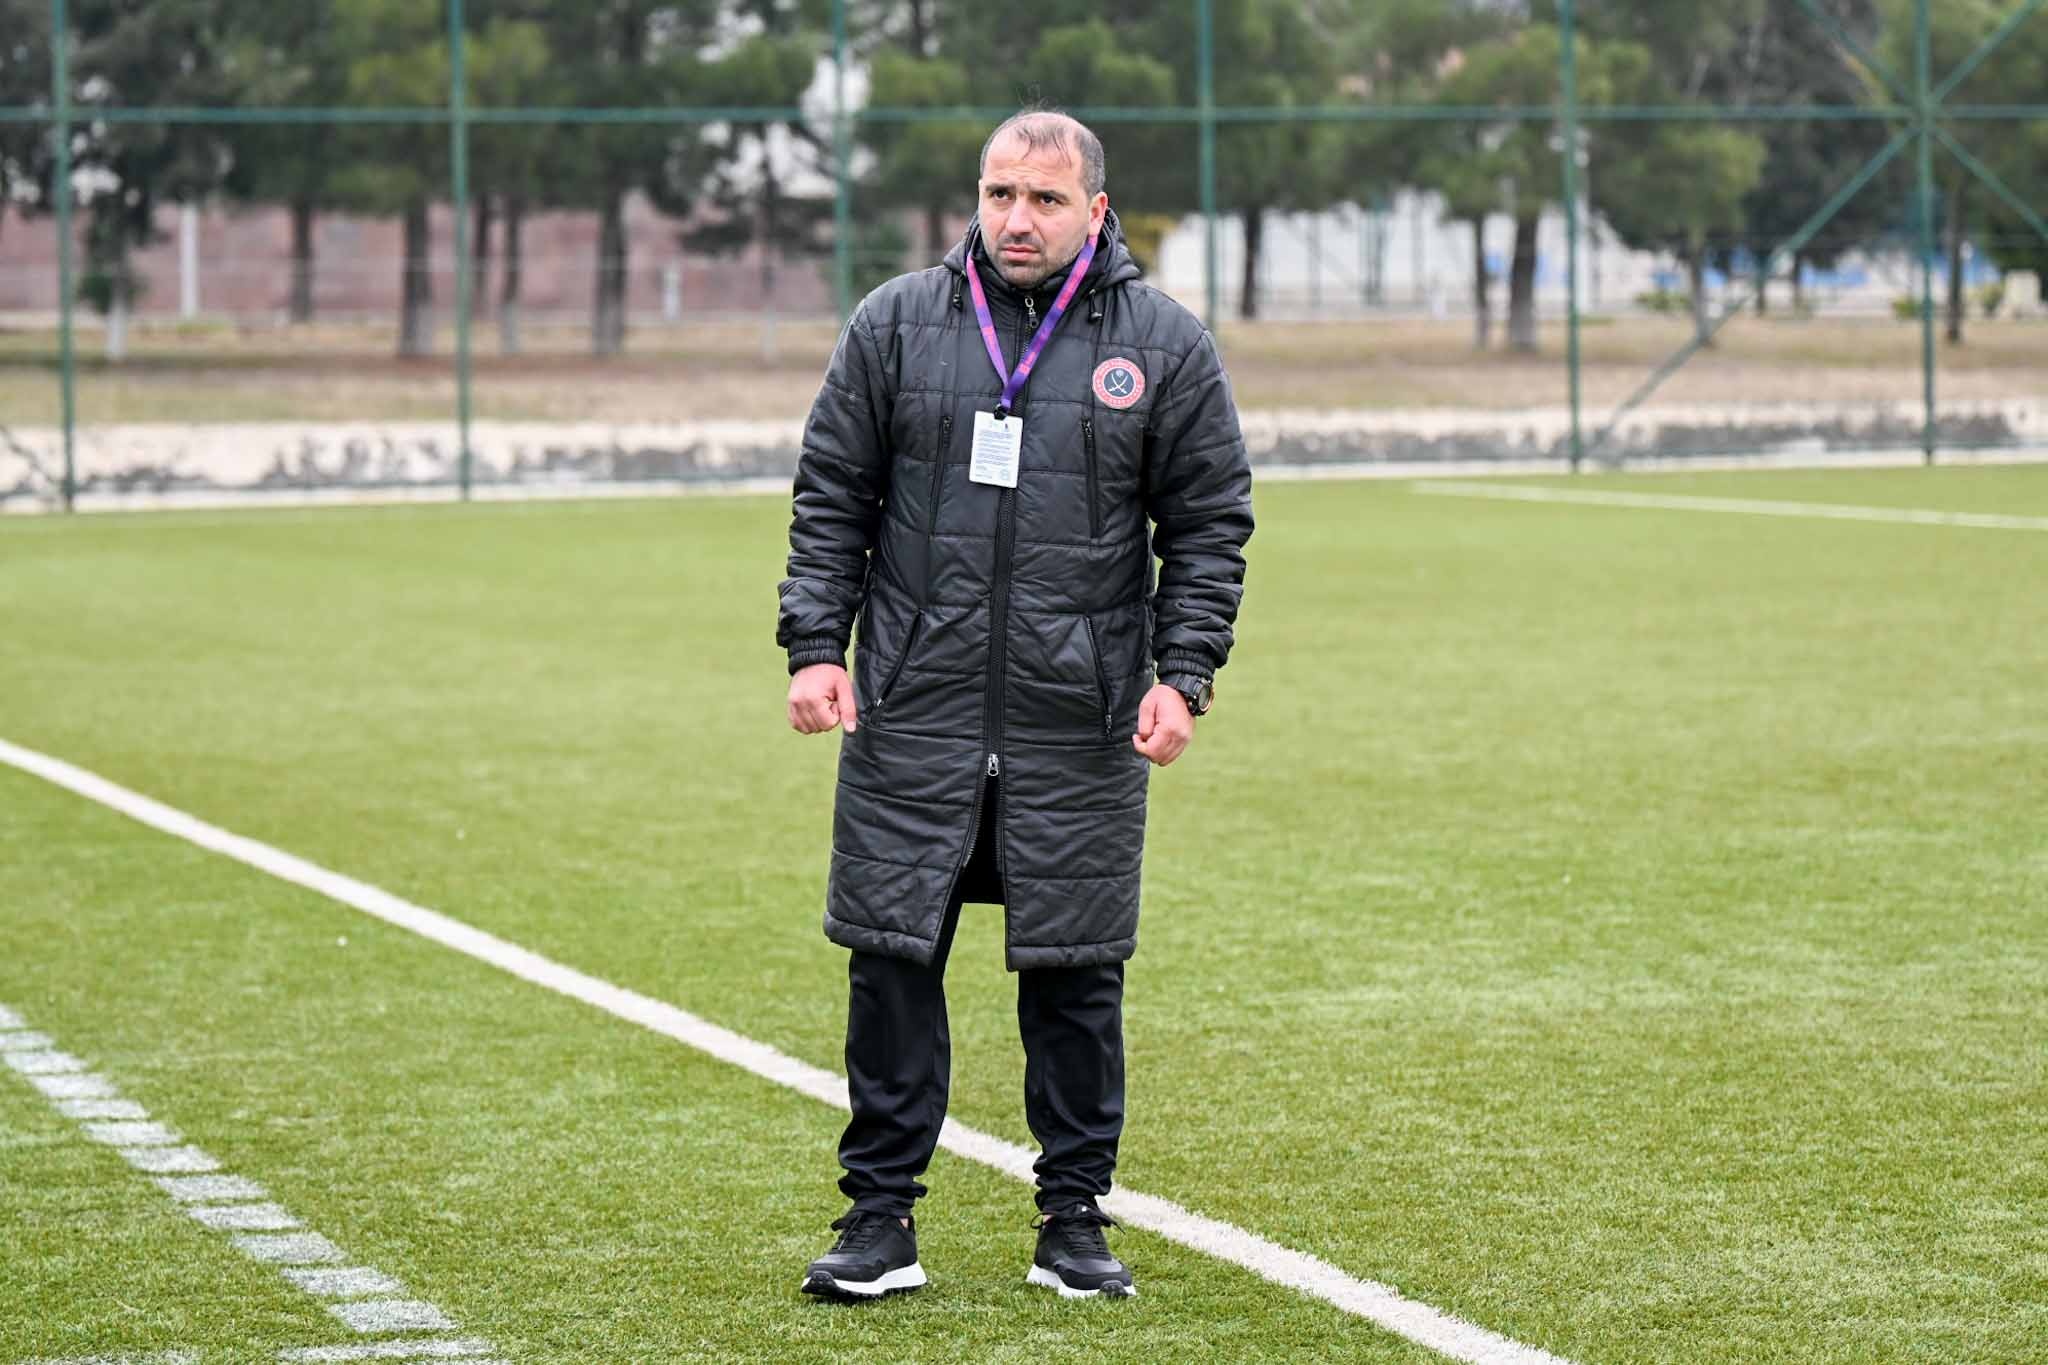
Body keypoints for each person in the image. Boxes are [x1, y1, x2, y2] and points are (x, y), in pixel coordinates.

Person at [777, 108, 1253, 1303]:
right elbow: (831, 496)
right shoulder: (895, 323)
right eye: (998, 195)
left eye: (1043, 199)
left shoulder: (1163, 345)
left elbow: (1206, 527)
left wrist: (1182, 674)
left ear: (1096, 210)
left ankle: (1073, 1220)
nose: (1016, 220)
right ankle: (878, 1221)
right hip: (915, 705)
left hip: (1076, 718)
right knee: (890, 963)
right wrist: (815, 648)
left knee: (1075, 976)